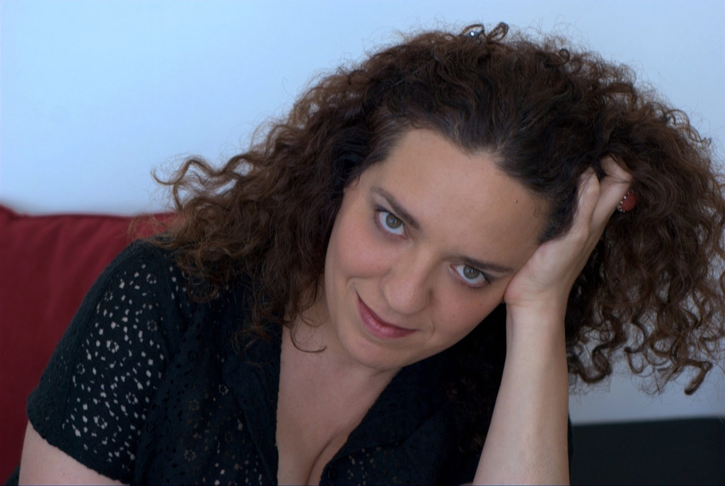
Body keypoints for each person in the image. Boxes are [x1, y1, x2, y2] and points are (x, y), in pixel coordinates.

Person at [13, 22, 725, 485]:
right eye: (391, 222)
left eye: (472, 270)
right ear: (341, 176)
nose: (403, 296)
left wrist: (540, 310)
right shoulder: (161, 297)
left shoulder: (490, 381)